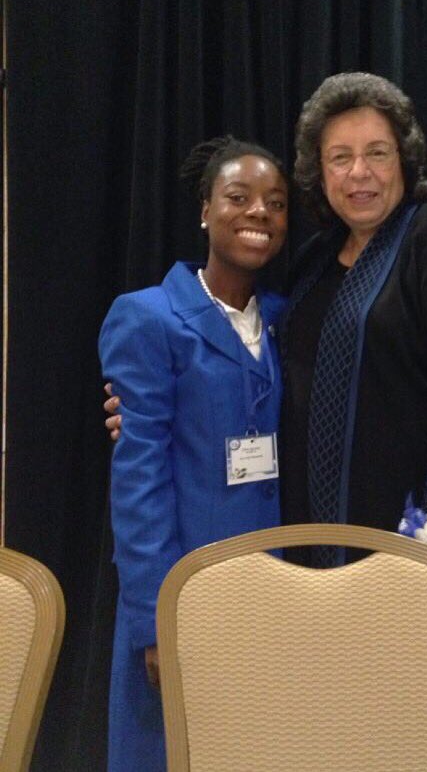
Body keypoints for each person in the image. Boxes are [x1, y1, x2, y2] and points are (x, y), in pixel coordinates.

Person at [99, 137, 289, 772]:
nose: (258, 212)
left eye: (276, 202)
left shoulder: (287, 322)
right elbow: (138, 482)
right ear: (206, 210)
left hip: (274, 596)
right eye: (238, 197)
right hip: (188, 598)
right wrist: (157, 619)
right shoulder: (149, 318)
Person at [281, 72, 427, 567]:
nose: (360, 172)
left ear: (404, 159)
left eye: (377, 153)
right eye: (341, 157)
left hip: (408, 547)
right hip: (301, 539)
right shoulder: (311, 262)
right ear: (321, 170)